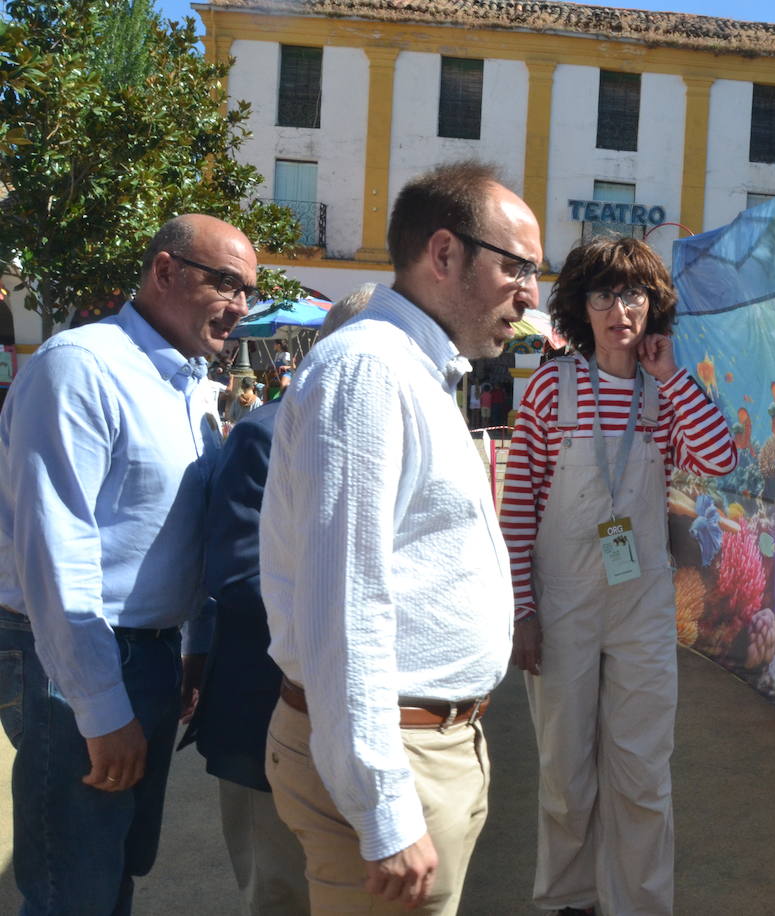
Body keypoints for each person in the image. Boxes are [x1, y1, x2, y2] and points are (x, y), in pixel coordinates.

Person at [260, 161, 536, 914]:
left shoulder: (411, 371)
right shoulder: (370, 373)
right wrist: (383, 808)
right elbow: (343, 607)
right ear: (443, 254)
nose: (531, 293)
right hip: (398, 753)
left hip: (427, 745)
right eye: (516, 266)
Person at [0, 213, 257, 913]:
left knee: (113, 871)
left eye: (249, 291)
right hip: (73, 658)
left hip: (146, 656)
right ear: (164, 272)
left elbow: (184, 532)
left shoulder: (188, 385)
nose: (240, 305)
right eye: (227, 283)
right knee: (71, 888)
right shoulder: (81, 367)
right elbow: (55, 550)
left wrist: (191, 652)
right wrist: (100, 704)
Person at [500, 237, 738, 915]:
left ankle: (636, 903)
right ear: (581, 306)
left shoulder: (664, 394)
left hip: (641, 606)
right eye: (602, 294)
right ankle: (566, 900)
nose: (619, 309)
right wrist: (523, 611)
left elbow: (719, 460)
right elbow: (518, 508)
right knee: (564, 775)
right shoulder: (552, 385)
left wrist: (671, 378)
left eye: (633, 294)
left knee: (642, 773)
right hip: (562, 602)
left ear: (652, 305)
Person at [180, 283, 375, 916]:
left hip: (359, 730)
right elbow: (239, 580)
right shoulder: (265, 435)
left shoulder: (382, 438)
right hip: (268, 718)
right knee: (281, 894)